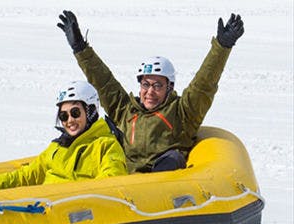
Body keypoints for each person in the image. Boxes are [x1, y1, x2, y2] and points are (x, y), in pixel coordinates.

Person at [57, 10, 245, 173]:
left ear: (169, 87)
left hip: (163, 186)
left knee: (172, 159)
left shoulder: (183, 113)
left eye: (157, 86)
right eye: (146, 85)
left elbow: (204, 84)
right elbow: (102, 81)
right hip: (125, 184)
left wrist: (222, 46)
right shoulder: (125, 111)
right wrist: (80, 47)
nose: (150, 92)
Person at [0, 81, 127, 190]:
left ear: (91, 111)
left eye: (75, 113)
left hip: (74, 212)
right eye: (64, 116)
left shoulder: (105, 145)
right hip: (47, 210)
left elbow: (111, 183)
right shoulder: (57, 147)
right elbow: (28, 174)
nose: (69, 120)